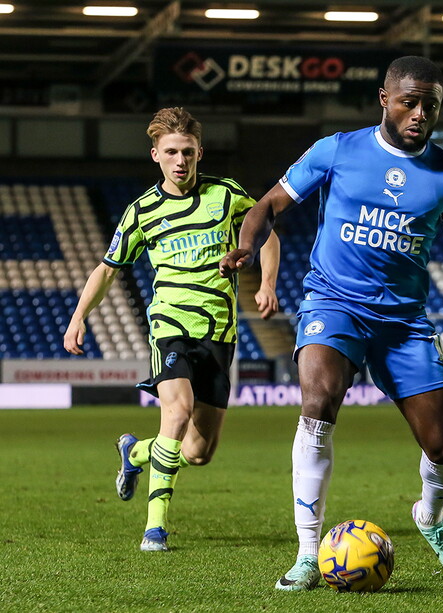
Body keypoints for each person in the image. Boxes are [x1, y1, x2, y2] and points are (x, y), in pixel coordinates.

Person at [219, 56, 443, 591]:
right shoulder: (339, 150)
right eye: (409, 101)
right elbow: (268, 205)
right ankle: (308, 552)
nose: (419, 113)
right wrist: (244, 246)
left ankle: (430, 516)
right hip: (334, 304)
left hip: (402, 322)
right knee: (318, 402)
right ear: (385, 99)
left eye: (431, 105)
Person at [64, 107, 281, 552]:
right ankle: (154, 528)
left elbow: (268, 233)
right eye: (171, 153)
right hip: (170, 326)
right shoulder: (141, 211)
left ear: (200, 152)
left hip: (219, 333)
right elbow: (107, 270)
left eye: (187, 151)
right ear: (155, 155)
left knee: (199, 452)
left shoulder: (226, 194)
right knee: (176, 413)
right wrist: (79, 315)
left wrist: (268, 283)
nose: (180, 160)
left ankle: (136, 452)